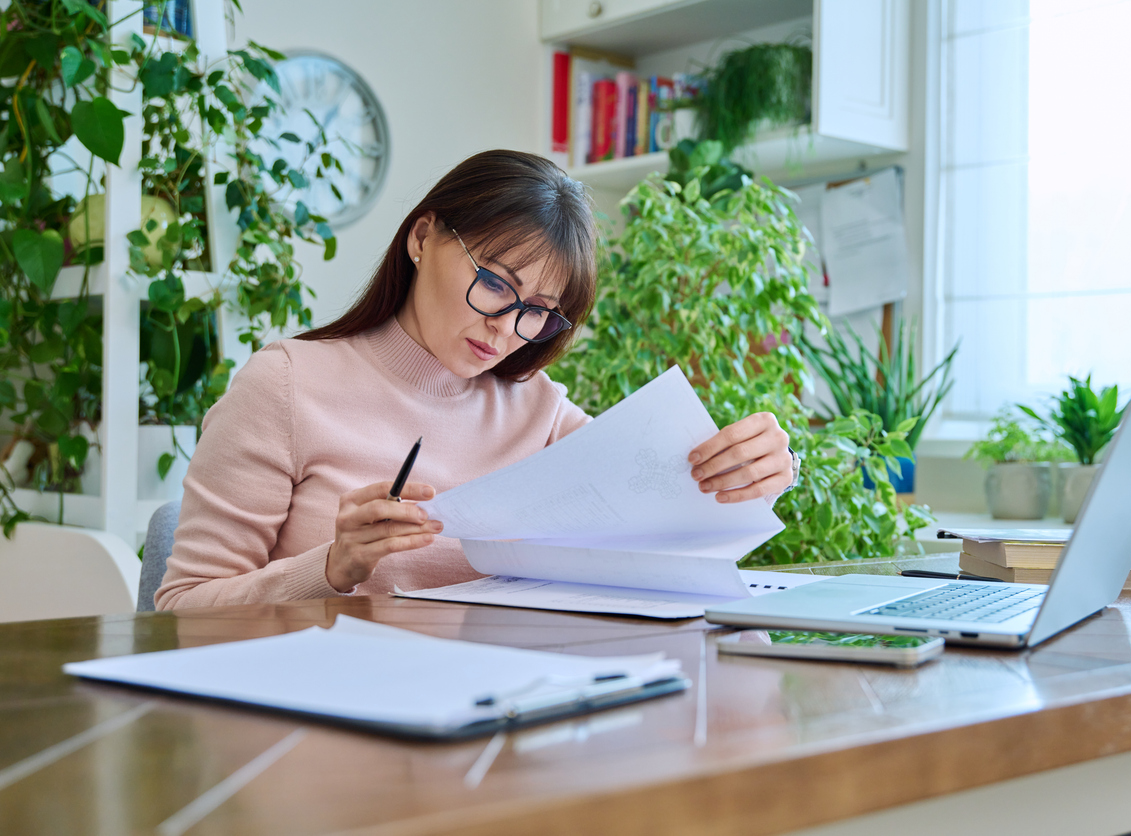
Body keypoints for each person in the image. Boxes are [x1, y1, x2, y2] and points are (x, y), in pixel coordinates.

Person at [156, 150, 796, 610]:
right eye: (494, 283)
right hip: (321, 728)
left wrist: (753, 471)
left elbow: (665, 517)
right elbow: (181, 610)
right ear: (422, 236)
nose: (505, 330)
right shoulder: (287, 386)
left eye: (537, 312)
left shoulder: (540, 414)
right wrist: (330, 567)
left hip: (497, 724)